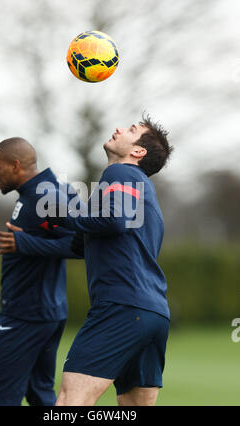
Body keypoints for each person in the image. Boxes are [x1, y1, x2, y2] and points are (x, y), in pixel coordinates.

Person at [47, 114, 174, 406]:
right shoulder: (138, 189)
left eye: (130, 130)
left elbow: (113, 221)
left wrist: (61, 212)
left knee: (69, 403)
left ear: (138, 152)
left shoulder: (121, 173)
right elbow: (82, 245)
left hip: (121, 308)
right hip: (153, 313)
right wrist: (24, 244)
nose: (119, 129)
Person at [0, 137, 80, 406]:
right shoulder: (40, 192)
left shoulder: (44, 196)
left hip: (25, 317)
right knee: (40, 396)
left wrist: (24, 242)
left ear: (16, 165)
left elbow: (83, 244)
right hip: (44, 313)